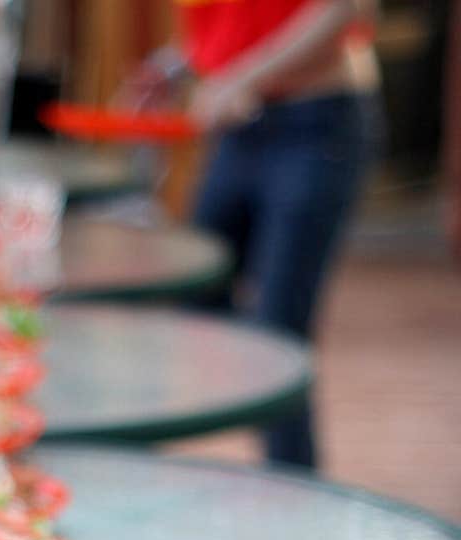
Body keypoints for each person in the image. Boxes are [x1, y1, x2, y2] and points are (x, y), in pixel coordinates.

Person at [124, 1, 383, 471]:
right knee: (195, 296)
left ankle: (295, 499)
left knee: (280, 332)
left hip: (316, 123)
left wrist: (241, 77)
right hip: (243, 129)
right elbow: (239, 17)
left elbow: (345, 8)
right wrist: (177, 65)